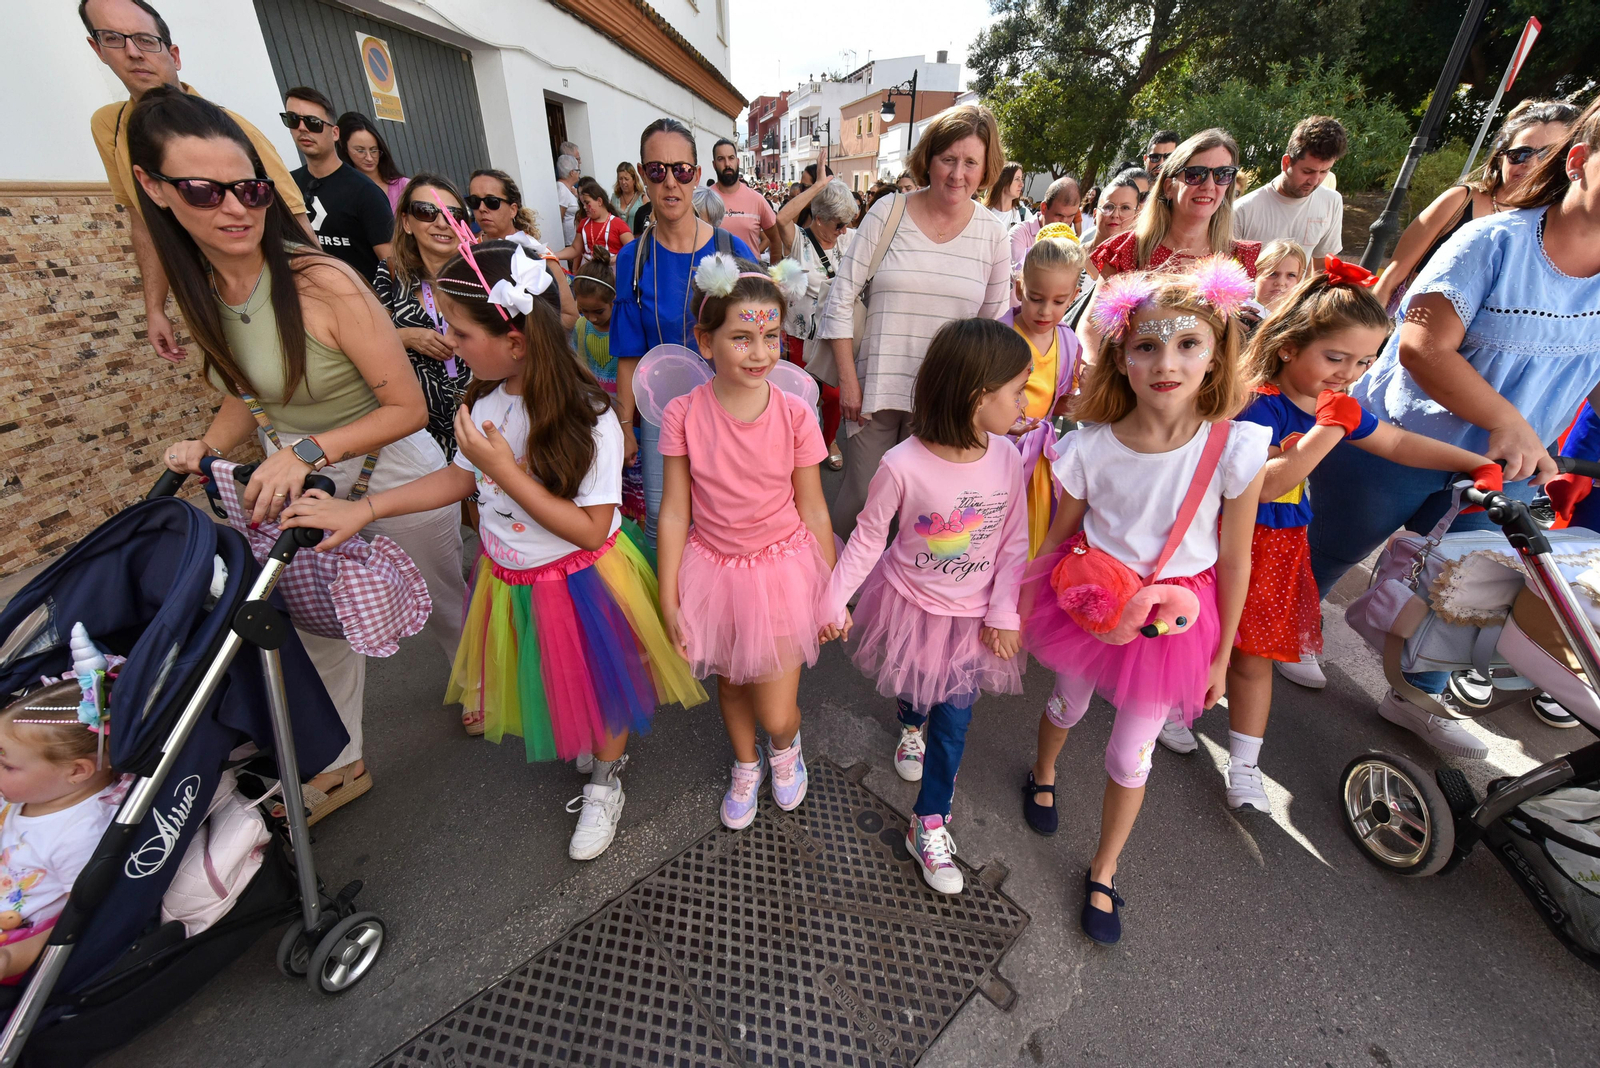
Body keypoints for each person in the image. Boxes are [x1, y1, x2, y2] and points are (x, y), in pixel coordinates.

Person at [285, 239, 706, 860]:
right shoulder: (484, 398)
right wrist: (364, 507)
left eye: (457, 332)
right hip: (512, 575)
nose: (447, 344)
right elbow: (463, 477)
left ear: (513, 341)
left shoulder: (589, 415)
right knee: (554, 672)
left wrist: (502, 470)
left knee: (603, 684)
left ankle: (606, 780)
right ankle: (596, 748)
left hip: (580, 580)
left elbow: (590, 529)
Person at [134, 87, 463, 817]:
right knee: (317, 623)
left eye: (248, 187)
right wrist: (207, 445)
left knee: (443, 595)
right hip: (296, 472)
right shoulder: (203, 288)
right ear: (156, 191)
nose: (233, 208)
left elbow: (406, 403)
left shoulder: (322, 280)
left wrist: (307, 450)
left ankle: (474, 683)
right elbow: (245, 393)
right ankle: (341, 764)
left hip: (386, 458)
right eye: (202, 189)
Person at [1305, 94, 1600, 748]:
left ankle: (1418, 694)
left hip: (1508, 469)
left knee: (1466, 587)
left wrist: (1524, 438)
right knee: (1325, 548)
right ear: (1579, 163)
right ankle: (1278, 634)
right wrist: (1504, 419)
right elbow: (1421, 345)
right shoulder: (1491, 240)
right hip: (1399, 441)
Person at [1021, 262, 1268, 944]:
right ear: (1121, 359)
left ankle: (1105, 868)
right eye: (1148, 346)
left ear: (1216, 351)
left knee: (1133, 757)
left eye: (1188, 344)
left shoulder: (1235, 449)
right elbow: (1060, 534)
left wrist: (1221, 655)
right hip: (1094, 603)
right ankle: (1042, 770)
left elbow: (1237, 557)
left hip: (1173, 620)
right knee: (1066, 704)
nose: (1168, 362)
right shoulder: (1094, 447)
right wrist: (1022, 602)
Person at [1217, 264, 1498, 810]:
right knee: (1202, 638)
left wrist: (1478, 463)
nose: (1349, 373)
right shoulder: (1256, 403)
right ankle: (1168, 712)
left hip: (1277, 549)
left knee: (1253, 657)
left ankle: (1244, 765)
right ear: (1288, 349)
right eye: (1335, 358)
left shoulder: (1337, 407)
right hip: (1223, 541)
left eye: (1366, 362)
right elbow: (1272, 484)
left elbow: (1397, 445)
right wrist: (1330, 428)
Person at [822, 319, 1030, 893]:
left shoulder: (1009, 458)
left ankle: (930, 819)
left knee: (955, 722)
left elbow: (1015, 540)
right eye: (1016, 389)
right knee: (916, 680)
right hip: (911, 603)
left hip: (973, 617)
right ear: (975, 398)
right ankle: (910, 722)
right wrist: (834, 598)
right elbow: (868, 536)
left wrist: (1005, 612)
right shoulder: (902, 464)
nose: (1024, 401)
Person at [656, 255, 837, 830]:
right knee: (732, 683)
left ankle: (785, 744)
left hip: (783, 570)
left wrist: (830, 590)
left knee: (776, 707)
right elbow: (675, 510)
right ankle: (745, 761)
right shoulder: (683, 415)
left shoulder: (794, 415)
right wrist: (669, 598)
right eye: (741, 337)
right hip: (714, 571)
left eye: (770, 336)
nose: (760, 352)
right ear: (704, 342)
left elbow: (812, 505)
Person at [817, 104, 1012, 538]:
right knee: (861, 505)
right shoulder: (888, 211)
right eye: (948, 159)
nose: (957, 173)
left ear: (986, 169)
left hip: (945, 400)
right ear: (929, 159)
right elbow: (841, 297)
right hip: (875, 389)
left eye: (970, 163)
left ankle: (895, 605)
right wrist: (848, 380)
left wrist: (979, 405)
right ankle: (834, 598)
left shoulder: (993, 234)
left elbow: (993, 332)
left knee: (923, 518)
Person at [83, 0, 310, 363]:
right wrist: (154, 306)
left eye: (145, 40)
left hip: (270, 290)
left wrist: (327, 298)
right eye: (113, 38)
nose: (132, 53)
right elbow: (142, 221)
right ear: (97, 49)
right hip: (208, 296)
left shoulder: (229, 130)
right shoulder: (111, 128)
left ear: (173, 54)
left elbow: (295, 221)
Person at [612, 118, 757, 545]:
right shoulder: (632, 259)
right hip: (661, 415)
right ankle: (668, 612)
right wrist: (625, 426)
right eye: (657, 170)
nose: (670, 183)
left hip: (728, 411)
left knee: (727, 519)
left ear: (697, 174)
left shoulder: (734, 252)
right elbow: (628, 353)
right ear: (642, 176)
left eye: (682, 170)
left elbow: (761, 345)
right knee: (661, 522)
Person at [1373, 99, 1580, 309]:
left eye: (1548, 155)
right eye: (1519, 154)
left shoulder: (1557, 227)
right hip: (1409, 329)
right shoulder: (1459, 200)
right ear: (1501, 157)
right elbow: (1391, 279)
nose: (1531, 163)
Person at [1084, 130, 1259, 354]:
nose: (1208, 185)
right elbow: (1092, 325)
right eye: (1196, 174)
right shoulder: (1128, 250)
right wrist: (1089, 366)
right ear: (1168, 186)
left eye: (1223, 174)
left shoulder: (1237, 259)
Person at [0, 678, 123, 981]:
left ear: (76, 771)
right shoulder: (30, 794)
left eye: (7, 765)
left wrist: (15, 956)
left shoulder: (79, 834)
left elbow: (75, 918)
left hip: (18, 940)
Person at [373, 175, 475, 461]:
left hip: (483, 417)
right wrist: (406, 337)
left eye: (452, 214)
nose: (441, 223)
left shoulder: (482, 274)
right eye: (426, 212)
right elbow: (369, 343)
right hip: (419, 429)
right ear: (406, 222)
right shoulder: (391, 274)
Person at [1001, 227, 1085, 555]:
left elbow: (1060, 403)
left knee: (1031, 542)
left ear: (1074, 296)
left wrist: (1089, 400)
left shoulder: (1068, 341)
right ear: (1020, 288)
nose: (1045, 311)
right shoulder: (999, 336)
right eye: (1036, 298)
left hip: (1038, 461)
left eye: (1058, 301)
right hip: (996, 454)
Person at [776, 173, 855, 470]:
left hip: (834, 336)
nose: (843, 229)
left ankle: (828, 439)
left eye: (846, 223)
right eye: (838, 223)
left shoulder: (847, 240)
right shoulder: (800, 241)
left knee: (834, 396)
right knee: (802, 397)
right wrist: (819, 186)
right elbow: (781, 218)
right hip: (800, 337)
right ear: (819, 218)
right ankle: (800, 447)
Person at [282, 86, 394, 282]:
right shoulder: (287, 185)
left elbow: (392, 266)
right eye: (293, 120)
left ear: (335, 133)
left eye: (313, 122)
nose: (302, 128)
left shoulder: (365, 192)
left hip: (364, 302)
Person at [1232, 116, 1348, 268]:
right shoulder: (1242, 210)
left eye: (1324, 171)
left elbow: (1322, 268)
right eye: (1307, 171)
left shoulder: (1332, 202)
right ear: (1286, 163)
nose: (1315, 181)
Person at [711, 138, 782, 255]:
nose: (727, 164)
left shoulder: (757, 200)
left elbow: (776, 239)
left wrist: (774, 272)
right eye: (721, 159)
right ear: (714, 165)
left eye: (731, 158)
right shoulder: (705, 201)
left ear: (738, 162)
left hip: (751, 272)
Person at [336, 111, 408, 213]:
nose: (369, 158)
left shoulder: (404, 186)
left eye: (374, 150)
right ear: (344, 147)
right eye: (360, 151)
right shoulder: (341, 191)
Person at [1009, 175, 1082, 270]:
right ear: (1044, 208)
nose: (1064, 222)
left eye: (1071, 216)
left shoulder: (1071, 240)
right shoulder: (1019, 234)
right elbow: (1020, 276)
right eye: (1059, 215)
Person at [1082, 171, 1149, 267]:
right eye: (1108, 207)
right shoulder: (1071, 258)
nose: (1115, 215)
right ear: (1095, 214)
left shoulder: (1142, 266)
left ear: (1136, 216)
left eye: (1125, 207)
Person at [562, 177, 633, 266]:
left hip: (612, 274)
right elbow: (575, 249)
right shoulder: (584, 224)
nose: (584, 207)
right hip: (590, 272)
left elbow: (632, 248)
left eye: (587, 203)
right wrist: (553, 255)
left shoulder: (618, 224)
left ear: (599, 201)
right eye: (583, 203)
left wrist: (614, 259)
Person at [468, 168, 542, 240]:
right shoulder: (468, 250)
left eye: (491, 201)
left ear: (512, 210)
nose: (481, 208)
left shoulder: (535, 250)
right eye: (475, 201)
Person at [1253, 239, 1309, 312]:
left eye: (1291, 275)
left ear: (1299, 279)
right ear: (1255, 275)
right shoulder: (1239, 317)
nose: (1281, 282)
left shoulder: (1300, 318)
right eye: (1272, 274)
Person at [985, 162, 1030, 228]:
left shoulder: (1023, 214)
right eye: (1017, 179)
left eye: (1021, 179)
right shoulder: (984, 213)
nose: (1022, 184)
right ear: (1004, 181)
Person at [556, 154, 582, 247]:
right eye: (578, 171)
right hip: (568, 243)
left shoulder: (569, 189)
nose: (579, 174)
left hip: (574, 242)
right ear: (572, 172)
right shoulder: (562, 189)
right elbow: (560, 217)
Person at [614, 162, 648, 232]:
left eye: (626, 179)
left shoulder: (642, 199)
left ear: (634, 180)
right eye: (620, 179)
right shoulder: (614, 198)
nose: (623, 182)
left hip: (635, 239)